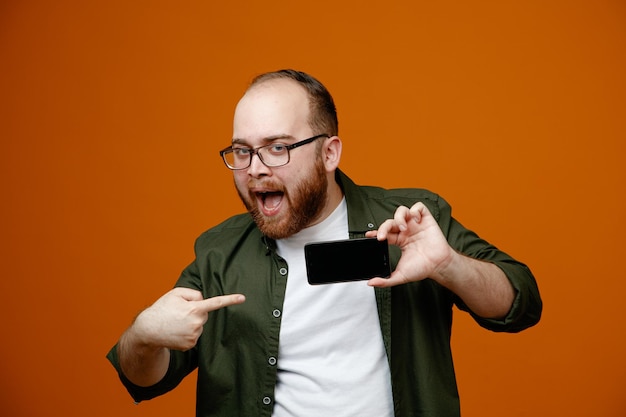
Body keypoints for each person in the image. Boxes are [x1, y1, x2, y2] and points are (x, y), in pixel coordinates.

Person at [107, 69, 542, 417]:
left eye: (277, 147)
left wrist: (449, 266)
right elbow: (147, 379)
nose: (255, 168)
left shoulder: (411, 220)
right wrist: (143, 336)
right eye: (242, 151)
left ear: (329, 153)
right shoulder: (219, 253)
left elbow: (520, 303)